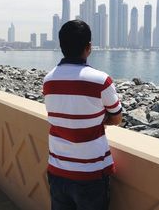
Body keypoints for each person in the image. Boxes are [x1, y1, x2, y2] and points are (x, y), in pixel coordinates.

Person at [43, 20, 123, 210]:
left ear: (61, 46)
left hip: (57, 169)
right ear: (89, 47)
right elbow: (117, 118)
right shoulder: (101, 81)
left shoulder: (49, 81)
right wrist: (99, 119)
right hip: (91, 174)